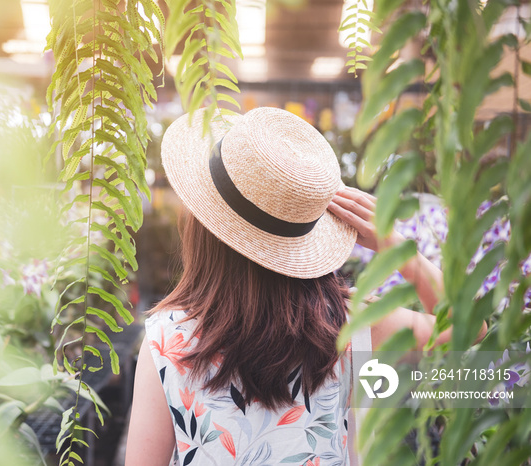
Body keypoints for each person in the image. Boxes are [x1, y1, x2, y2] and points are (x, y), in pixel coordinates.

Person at [125, 107, 486, 466]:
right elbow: (469, 326)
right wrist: (401, 252)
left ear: (203, 228)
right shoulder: (351, 324)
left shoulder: (166, 340)